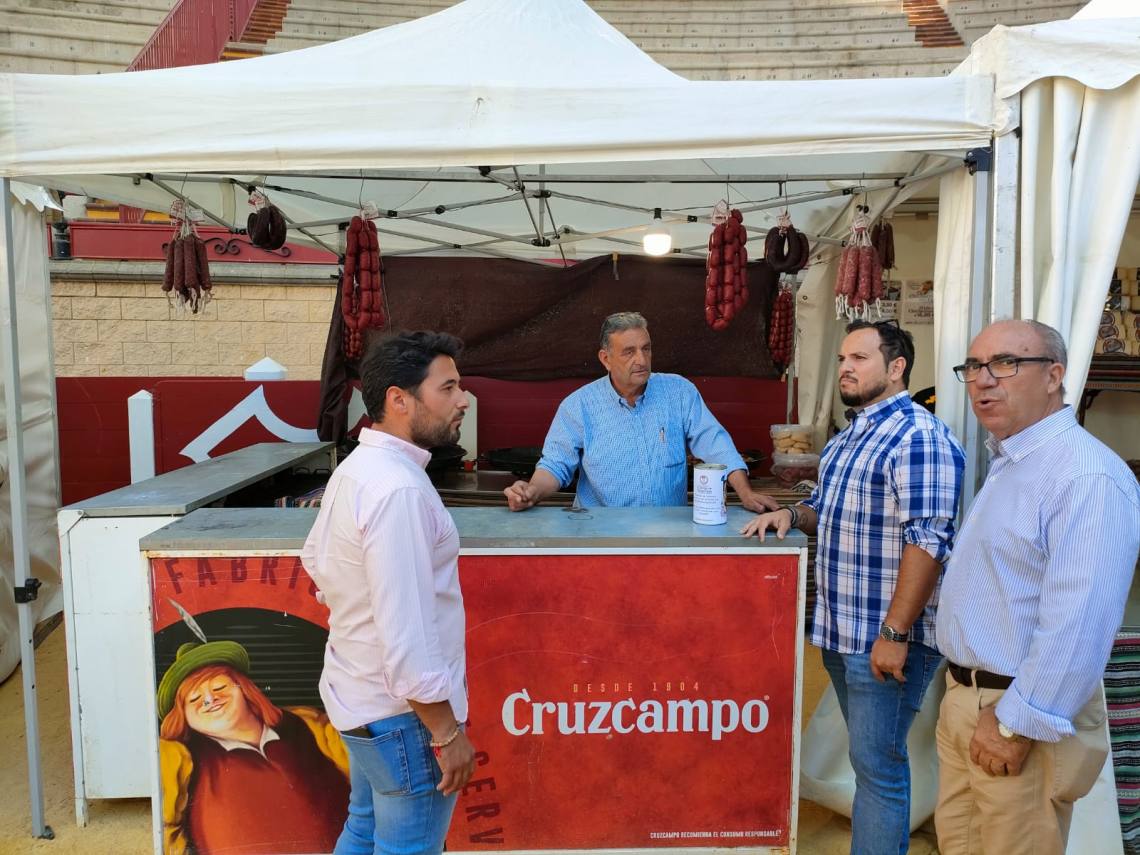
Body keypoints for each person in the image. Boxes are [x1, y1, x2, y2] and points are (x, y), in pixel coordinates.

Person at [742, 319, 966, 855]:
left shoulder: (918, 436)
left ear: (897, 368)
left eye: (860, 359)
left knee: (879, 768)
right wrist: (791, 515)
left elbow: (928, 542)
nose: (845, 367)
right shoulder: (850, 437)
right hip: (841, 631)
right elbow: (824, 507)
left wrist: (895, 632)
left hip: (884, 637)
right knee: (869, 763)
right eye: (843, 358)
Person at [934, 319, 1140, 855]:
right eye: (974, 366)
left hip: (1017, 714)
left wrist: (1014, 726)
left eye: (1006, 363)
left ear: (1053, 376)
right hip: (969, 700)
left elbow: (1079, 623)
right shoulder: (1013, 461)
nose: (984, 380)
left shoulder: (1085, 476)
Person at [302, 331, 477, 855]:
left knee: (364, 828)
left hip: (361, 699)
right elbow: (407, 637)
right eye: (448, 388)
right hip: (403, 718)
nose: (463, 400)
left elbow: (316, 561)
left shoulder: (360, 468)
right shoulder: (398, 489)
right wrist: (446, 734)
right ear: (399, 399)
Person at [503, 311, 777, 512]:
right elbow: (555, 465)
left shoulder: (679, 392)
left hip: (667, 533)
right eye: (629, 352)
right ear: (605, 358)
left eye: (646, 349)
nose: (642, 360)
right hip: (600, 534)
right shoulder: (579, 406)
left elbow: (715, 444)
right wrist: (531, 491)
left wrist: (745, 492)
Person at [157, 639, 350, 855]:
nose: (210, 700)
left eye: (219, 687)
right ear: (182, 716)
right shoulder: (179, 760)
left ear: (245, 689)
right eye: (194, 699)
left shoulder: (309, 726)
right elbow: (167, 834)